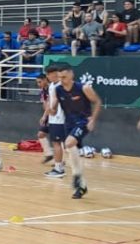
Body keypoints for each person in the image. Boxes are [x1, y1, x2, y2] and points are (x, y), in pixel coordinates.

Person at [54, 63, 103, 199]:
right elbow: (55, 105)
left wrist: (93, 119)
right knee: (69, 148)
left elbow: (98, 102)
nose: (61, 80)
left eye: (64, 77)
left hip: (83, 121)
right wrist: (50, 109)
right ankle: (82, 186)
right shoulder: (58, 90)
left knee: (69, 143)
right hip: (68, 123)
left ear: (71, 75)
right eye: (59, 77)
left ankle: (76, 175)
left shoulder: (83, 88)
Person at [42, 65, 67, 178]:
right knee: (56, 143)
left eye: (50, 74)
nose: (49, 76)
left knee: (57, 143)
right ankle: (58, 166)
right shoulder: (52, 85)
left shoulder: (61, 86)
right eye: (48, 74)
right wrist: (45, 115)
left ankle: (59, 169)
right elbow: (49, 101)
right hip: (53, 118)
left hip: (60, 118)